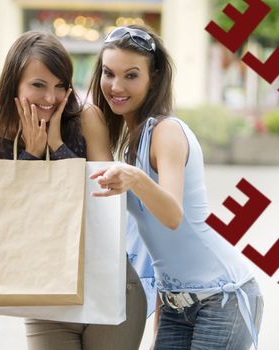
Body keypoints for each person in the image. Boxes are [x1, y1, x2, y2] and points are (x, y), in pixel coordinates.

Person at [88, 25, 264, 350]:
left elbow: (172, 215)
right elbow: (153, 246)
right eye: (108, 73)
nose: (116, 86)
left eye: (131, 75)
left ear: (153, 78)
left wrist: (135, 178)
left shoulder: (165, 131)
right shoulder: (132, 143)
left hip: (221, 297)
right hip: (176, 304)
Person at [0, 31, 146, 350]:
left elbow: (107, 198)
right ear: (14, 83)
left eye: (60, 85)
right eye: (38, 85)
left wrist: (58, 147)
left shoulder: (86, 119)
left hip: (109, 284)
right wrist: (32, 157)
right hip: (45, 293)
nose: (50, 98)